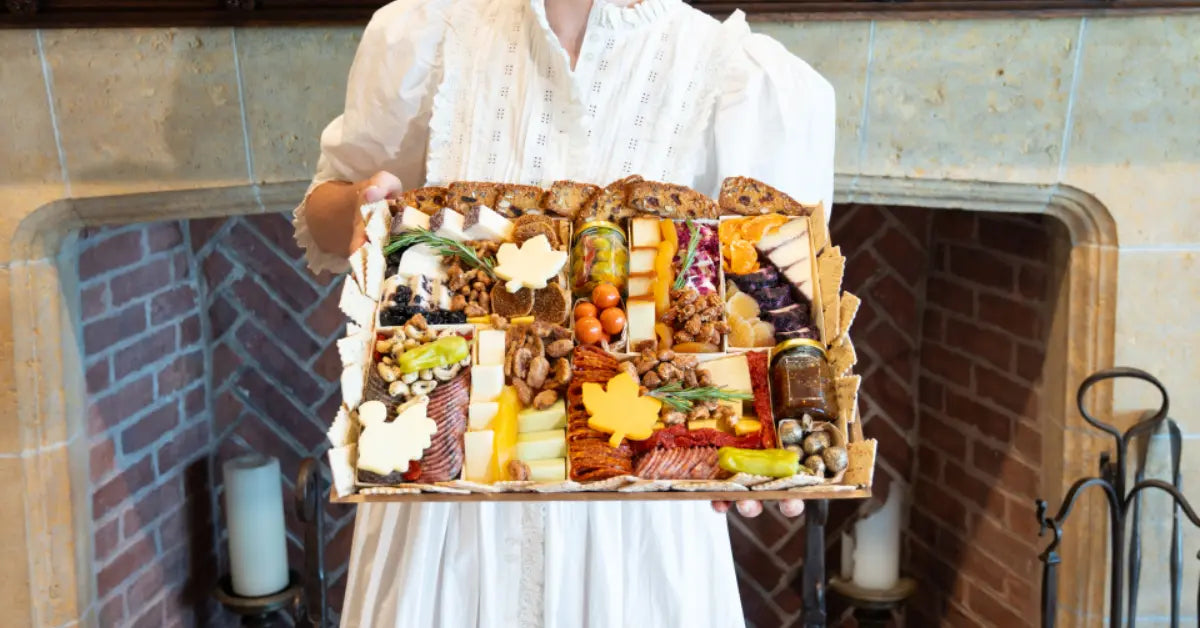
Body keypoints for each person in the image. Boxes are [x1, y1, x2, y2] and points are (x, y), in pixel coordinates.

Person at [293, 0, 835, 625]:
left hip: (639, 527)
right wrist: (367, 210)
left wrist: (776, 452)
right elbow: (323, 211)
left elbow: (786, 310)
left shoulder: (735, 70)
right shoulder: (427, 31)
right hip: (442, 514)